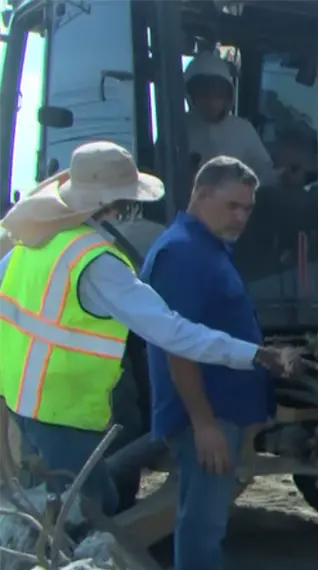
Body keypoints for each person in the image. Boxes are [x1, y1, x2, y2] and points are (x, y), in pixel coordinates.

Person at [0, 141, 299, 518]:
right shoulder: (96, 262)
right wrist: (253, 354)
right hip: (64, 410)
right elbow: (171, 332)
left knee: (50, 502)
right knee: (88, 512)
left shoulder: (35, 243)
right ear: (112, 204)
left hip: (25, 404)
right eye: (126, 200)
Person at [140, 156, 275, 570]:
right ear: (200, 194)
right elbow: (179, 346)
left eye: (248, 208)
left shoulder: (207, 248)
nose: (241, 216)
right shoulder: (181, 254)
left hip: (221, 415)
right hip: (207, 417)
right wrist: (202, 424)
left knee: (205, 523)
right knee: (200, 528)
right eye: (231, 204)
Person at [183, 51, 277, 185]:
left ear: (228, 95)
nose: (211, 100)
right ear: (190, 94)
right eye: (203, 94)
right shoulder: (177, 129)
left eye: (218, 94)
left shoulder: (243, 130)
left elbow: (265, 174)